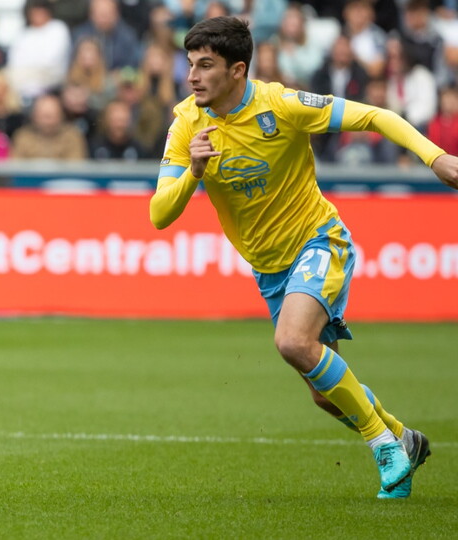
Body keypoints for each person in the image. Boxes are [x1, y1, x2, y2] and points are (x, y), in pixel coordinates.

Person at [151, 16, 457, 499]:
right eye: (190, 64)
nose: (192, 76)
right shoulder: (187, 123)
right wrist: (192, 171)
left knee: (292, 342)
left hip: (319, 241)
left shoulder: (282, 104)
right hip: (270, 269)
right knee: (323, 394)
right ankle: (402, 437)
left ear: (237, 70)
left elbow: (375, 116)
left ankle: (383, 447)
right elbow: (159, 214)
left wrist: (434, 156)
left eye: (205, 65)